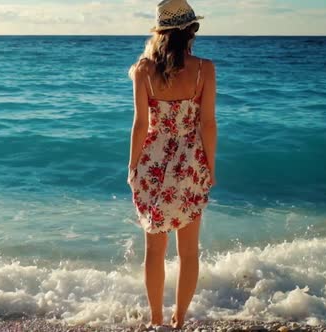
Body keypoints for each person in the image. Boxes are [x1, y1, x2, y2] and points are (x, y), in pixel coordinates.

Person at [127, 0, 217, 330]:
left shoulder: (143, 70)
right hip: (190, 162)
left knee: (154, 250)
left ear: (160, 32)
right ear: (191, 31)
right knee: (189, 252)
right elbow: (208, 124)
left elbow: (140, 124)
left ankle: (155, 321)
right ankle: (179, 321)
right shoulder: (205, 69)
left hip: (152, 162)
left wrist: (132, 166)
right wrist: (210, 166)